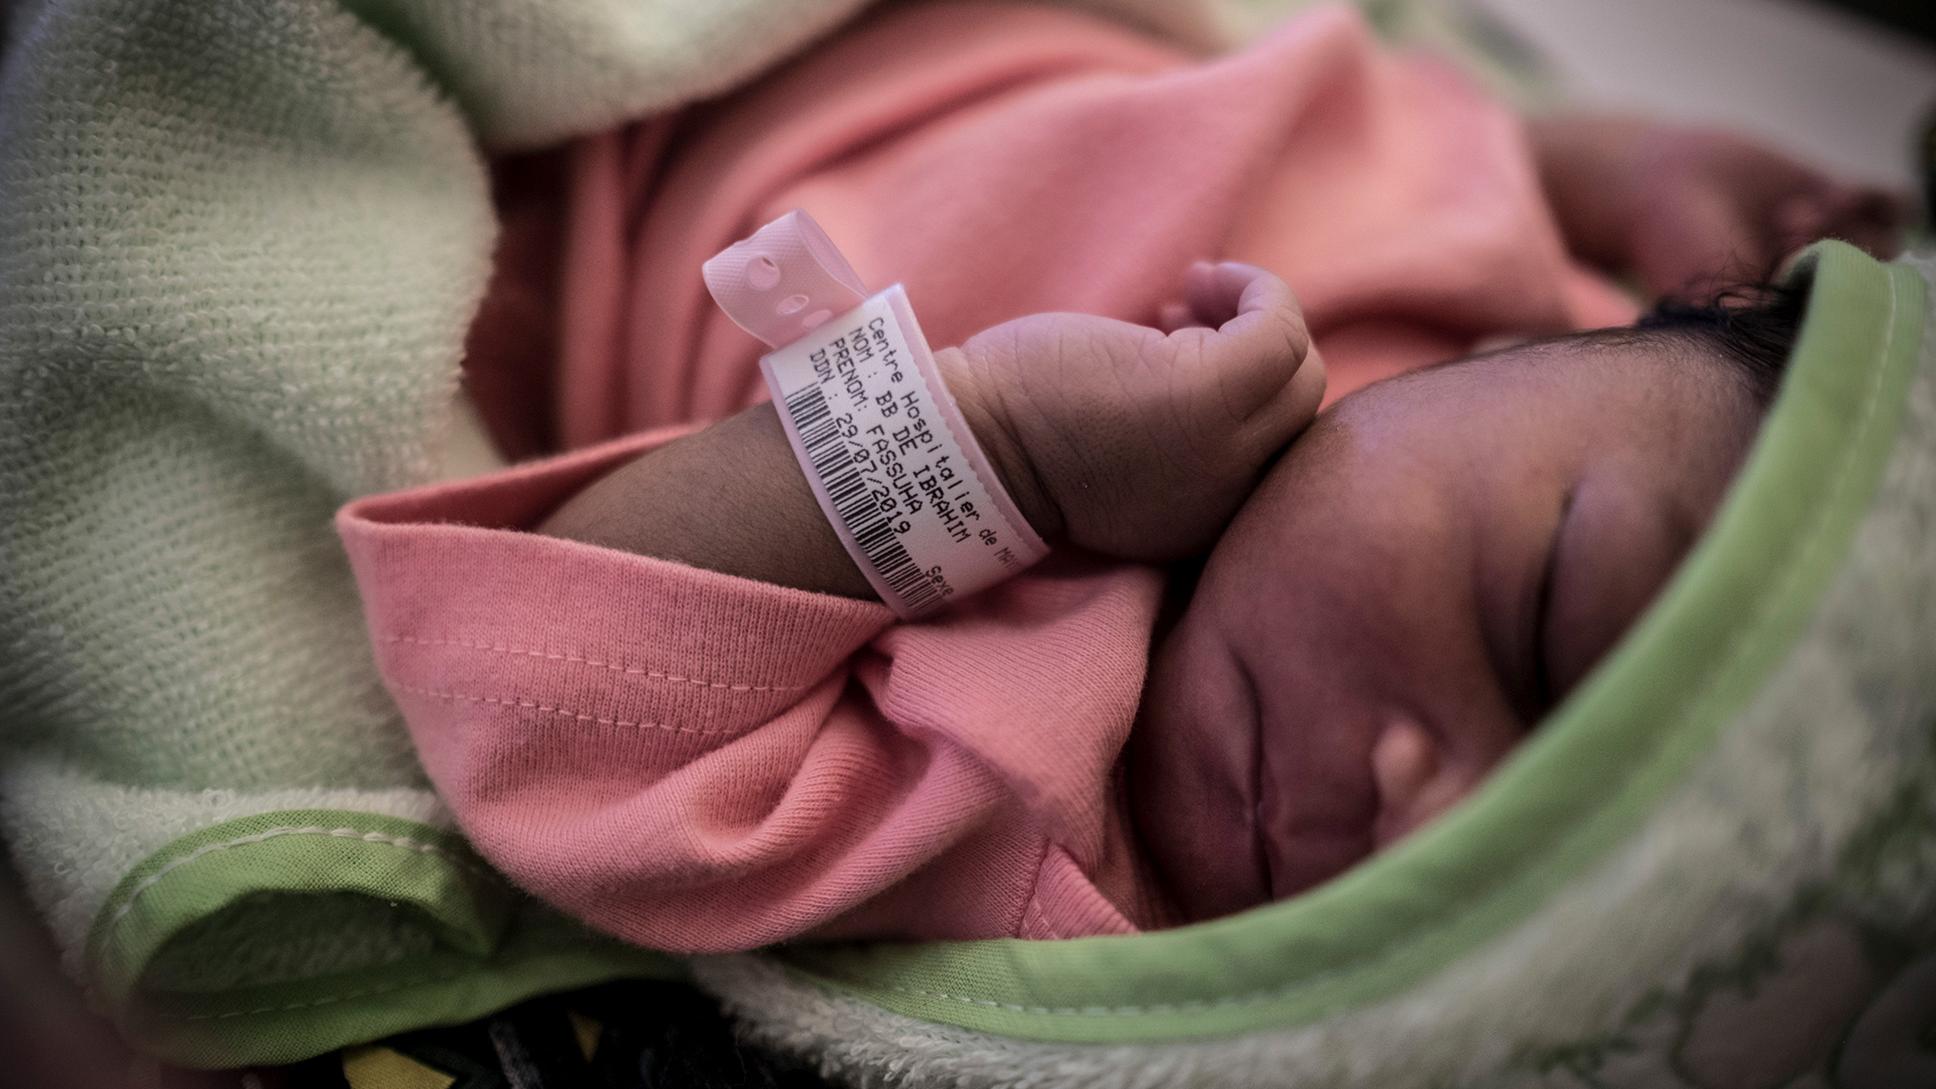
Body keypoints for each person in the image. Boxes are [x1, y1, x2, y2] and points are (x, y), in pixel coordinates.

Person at [337, 1, 1901, 952]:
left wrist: (996, 454)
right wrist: (1622, 171)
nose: (1427, 816)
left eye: (1536, 886)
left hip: (625, 144)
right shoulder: (1547, 336)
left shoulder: (1045, 809)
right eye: (1538, 624)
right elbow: (1441, 128)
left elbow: (547, 675)